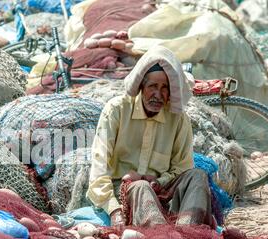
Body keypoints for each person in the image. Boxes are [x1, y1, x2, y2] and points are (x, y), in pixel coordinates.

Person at [86, 45, 214, 228]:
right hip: (125, 190)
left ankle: (187, 234)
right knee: (140, 187)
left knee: (198, 176)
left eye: (164, 88)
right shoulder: (117, 110)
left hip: (161, 188)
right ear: (141, 86)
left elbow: (182, 167)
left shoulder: (177, 118)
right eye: (152, 86)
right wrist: (114, 210)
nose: (158, 94)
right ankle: (162, 237)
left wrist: (157, 180)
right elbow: (99, 168)